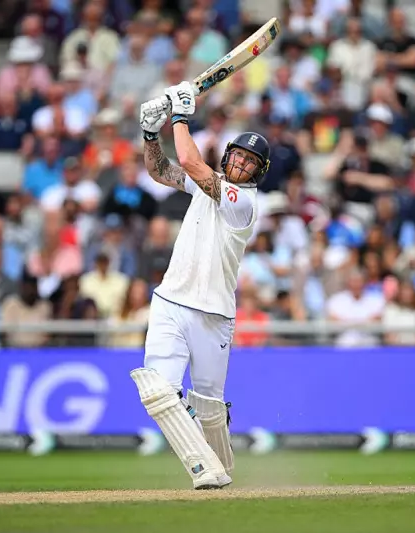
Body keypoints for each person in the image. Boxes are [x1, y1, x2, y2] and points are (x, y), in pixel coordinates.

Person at [130, 81, 271, 490]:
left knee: (208, 405)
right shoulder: (205, 185)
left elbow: (191, 162)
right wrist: (149, 134)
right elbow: (160, 171)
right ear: (228, 156)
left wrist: (179, 116)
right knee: (158, 389)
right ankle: (202, 470)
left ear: (258, 172)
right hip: (171, 300)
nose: (242, 164)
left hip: (214, 314)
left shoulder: (241, 202)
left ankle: (221, 467)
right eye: (238, 156)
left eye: (250, 162)